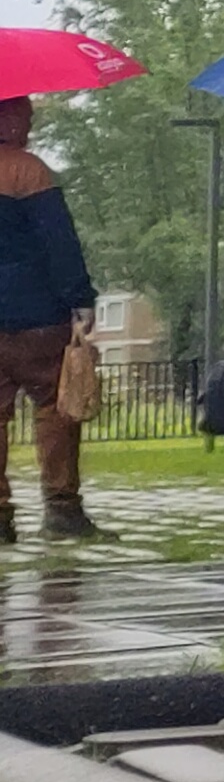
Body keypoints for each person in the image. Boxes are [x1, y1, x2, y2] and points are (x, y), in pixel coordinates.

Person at [0, 98, 100, 545]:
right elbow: (59, 242)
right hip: (37, 315)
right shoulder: (29, 171)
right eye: (25, 114)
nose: (31, 123)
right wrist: (80, 299)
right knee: (54, 409)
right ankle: (62, 510)